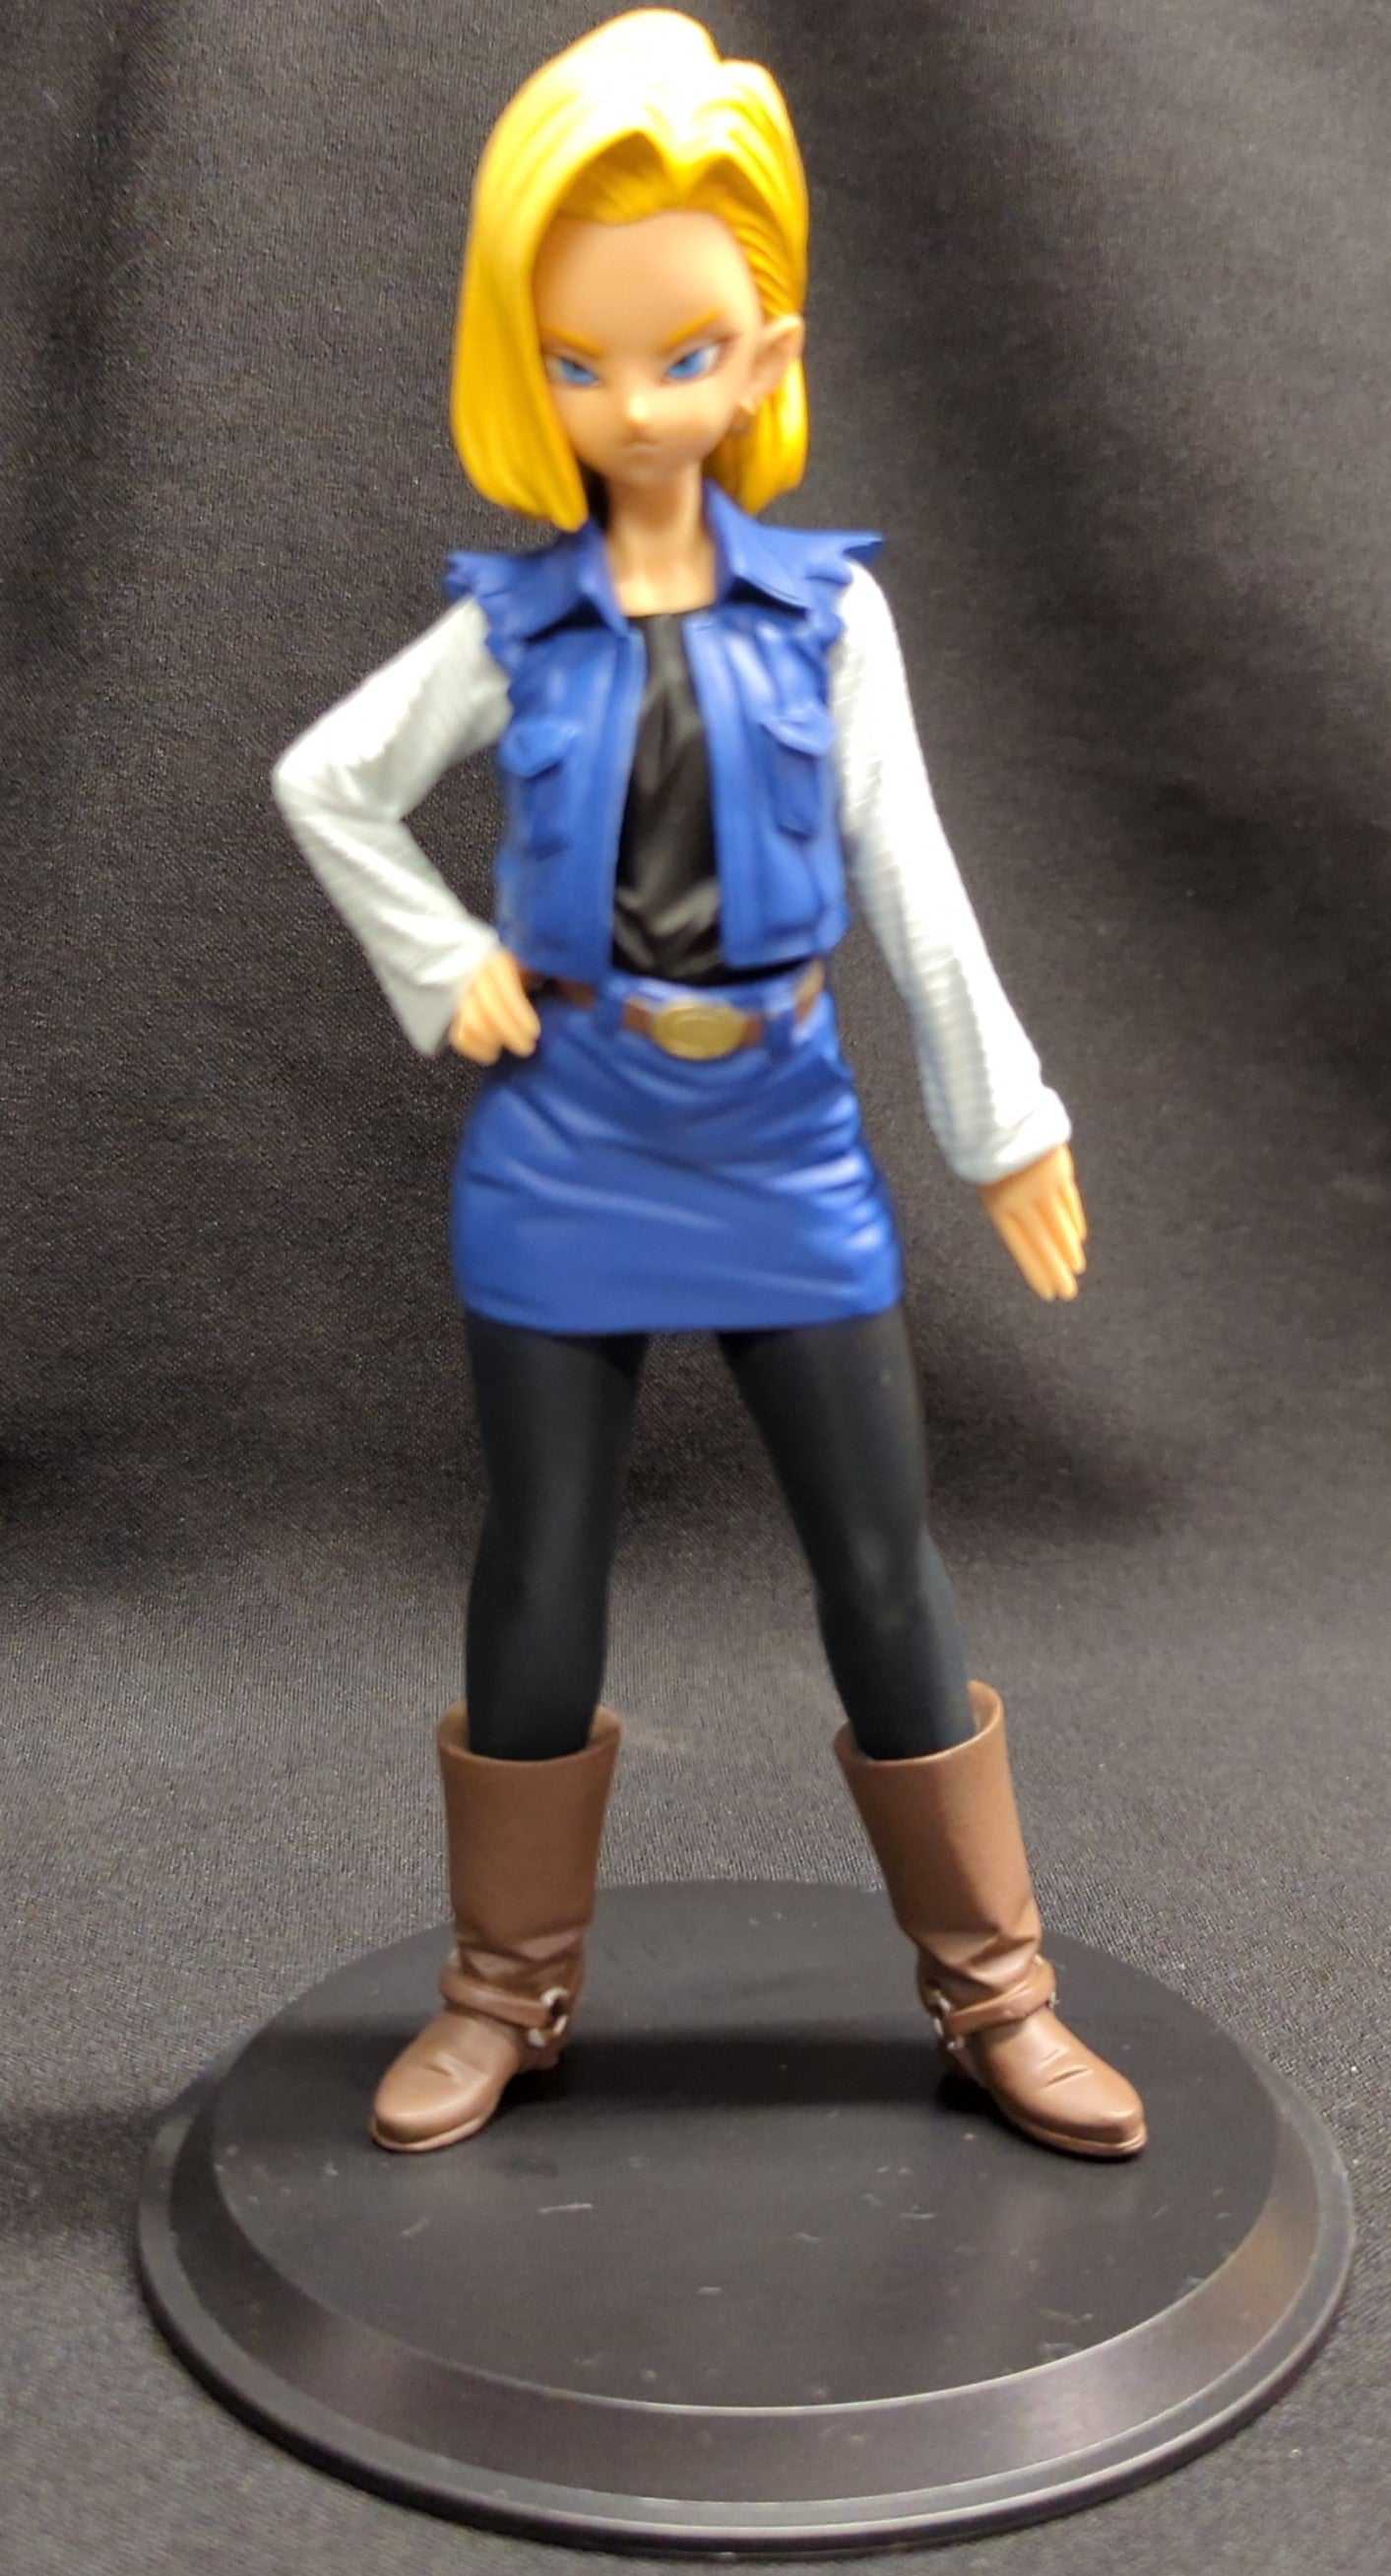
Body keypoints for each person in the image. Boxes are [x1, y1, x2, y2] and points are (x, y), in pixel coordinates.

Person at [273, 10, 1146, 2163]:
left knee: (880, 1559)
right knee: (539, 1569)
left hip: (777, 1130)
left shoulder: (827, 620)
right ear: (527, 366)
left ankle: (994, 1991)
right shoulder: (514, 626)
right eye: (582, 360)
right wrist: (445, 964)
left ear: (764, 355)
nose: (636, 402)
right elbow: (328, 780)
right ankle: (503, 1989)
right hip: (567, 1136)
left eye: (680, 353)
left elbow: (912, 881)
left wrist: (1003, 1120)